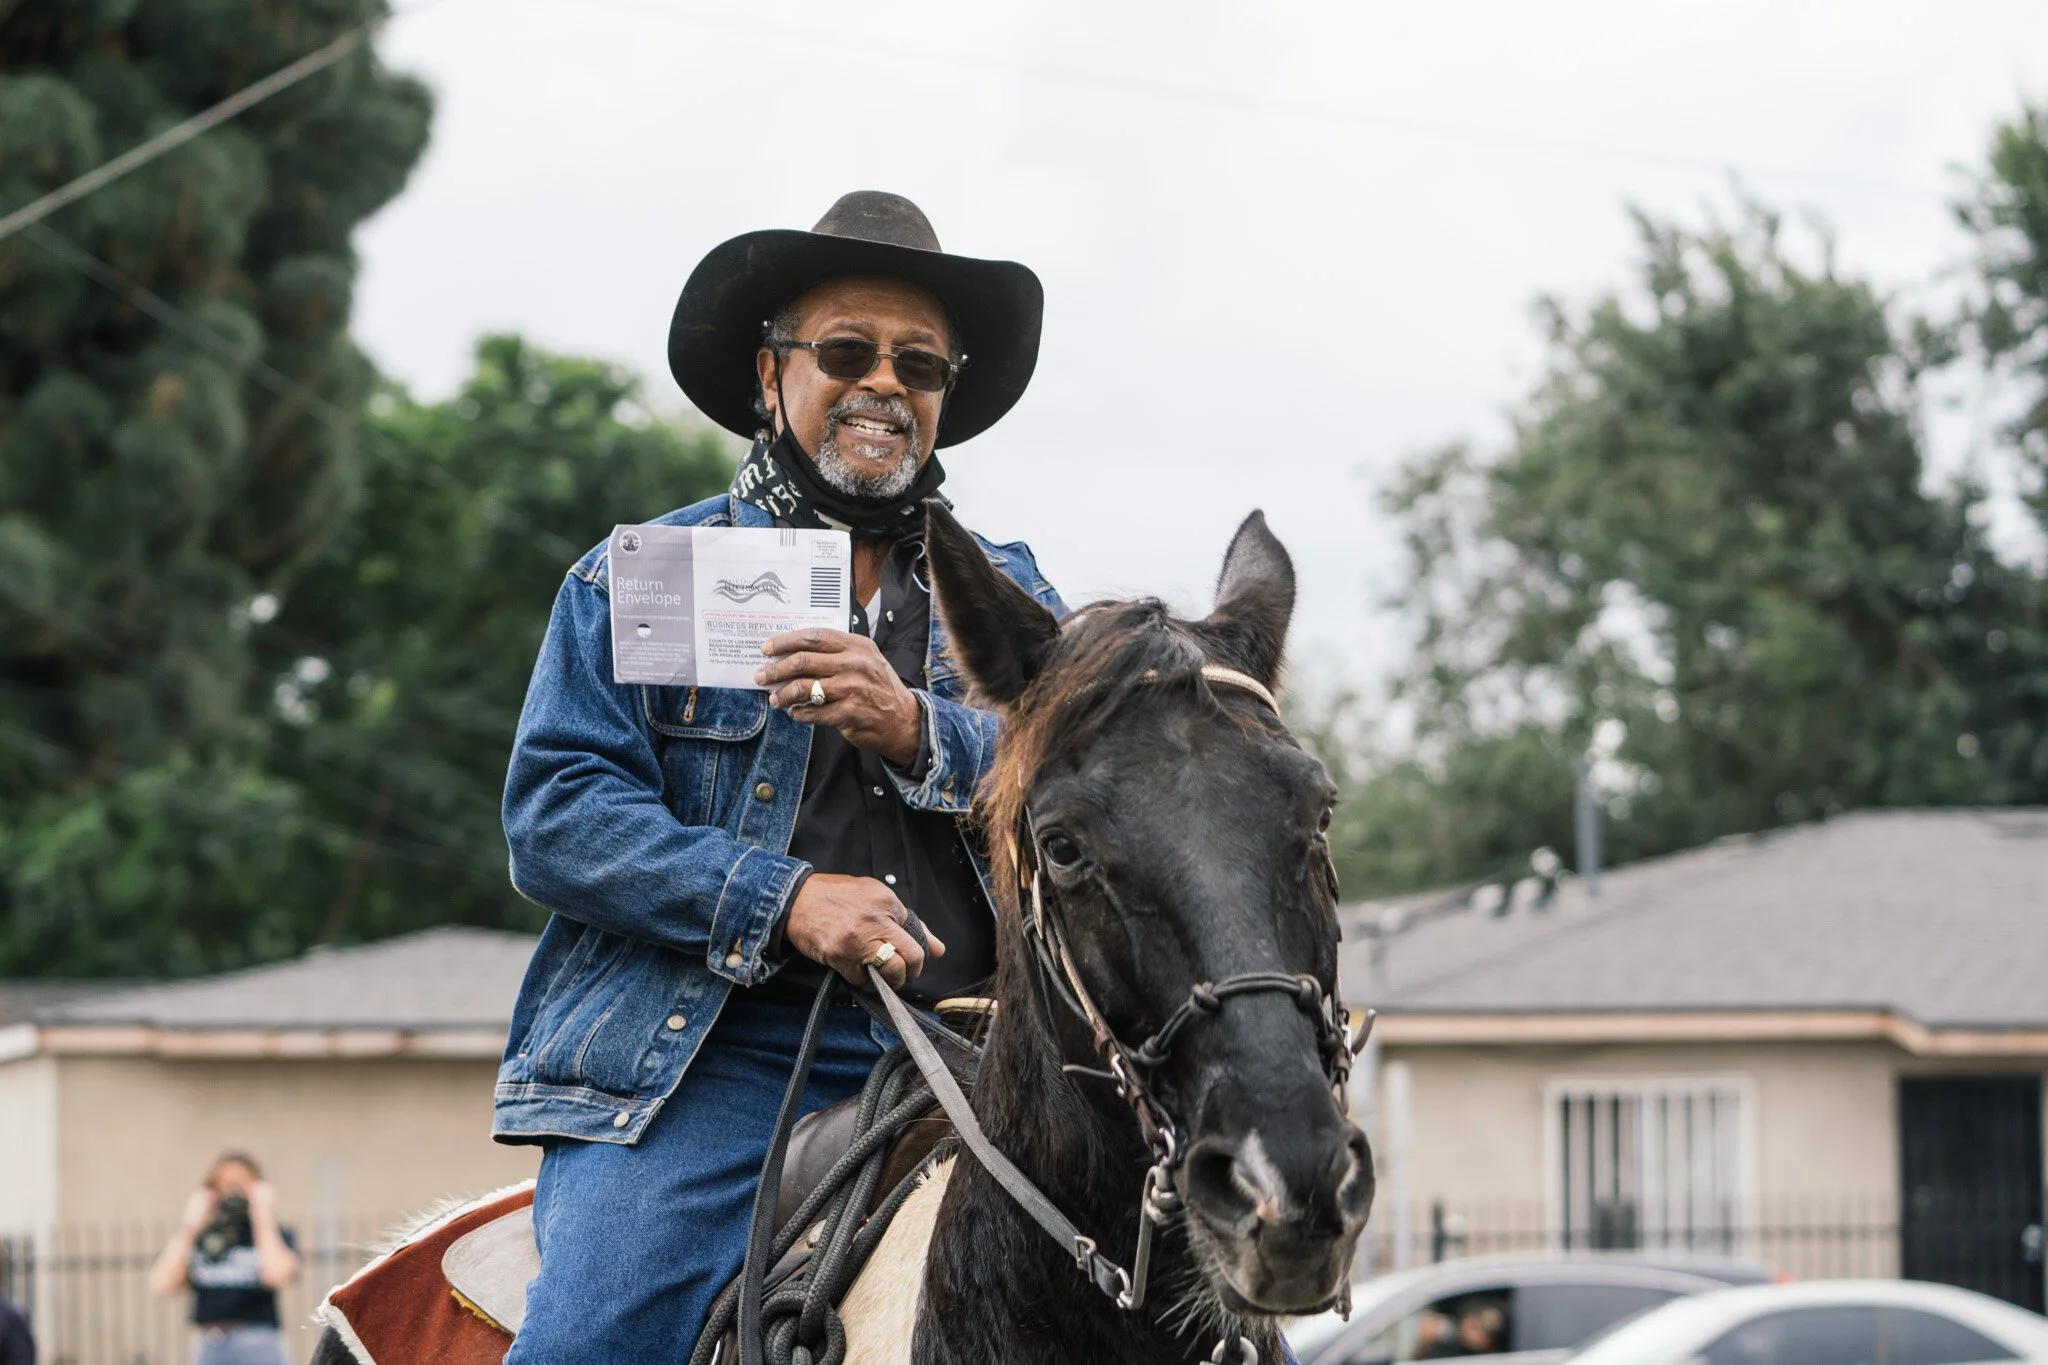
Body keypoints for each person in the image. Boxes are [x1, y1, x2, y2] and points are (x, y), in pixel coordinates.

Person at [496, 191, 1065, 1362]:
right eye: (844, 351)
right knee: (593, 1339)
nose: (882, 383)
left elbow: (1081, 790)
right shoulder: (642, 576)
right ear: (770, 378)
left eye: (919, 363)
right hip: (710, 1057)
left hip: (981, 1047)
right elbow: (557, 814)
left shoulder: (1013, 600)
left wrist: (918, 730)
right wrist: (787, 899)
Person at [148, 1152, 300, 1365]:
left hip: (258, 1340)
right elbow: (162, 1284)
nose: (231, 1192)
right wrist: (190, 1224)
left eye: (240, 1184)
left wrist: (262, 1214)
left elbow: (276, 1276)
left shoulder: (272, 1235)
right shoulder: (200, 1236)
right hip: (209, 1342)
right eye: (223, 1184)